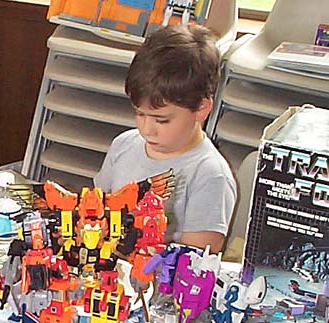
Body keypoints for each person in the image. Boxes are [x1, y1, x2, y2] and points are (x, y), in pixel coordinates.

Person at [93, 24, 236, 252]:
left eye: (162, 120)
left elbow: (195, 260)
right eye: (140, 114)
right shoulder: (123, 145)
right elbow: (95, 210)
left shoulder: (210, 175)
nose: (147, 130)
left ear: (201, 109)